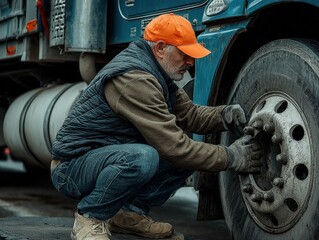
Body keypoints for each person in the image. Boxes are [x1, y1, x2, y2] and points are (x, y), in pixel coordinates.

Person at [50, 13, 262, 240]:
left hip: (105, 157)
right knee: (145, 158)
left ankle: (127, 214)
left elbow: (190, 115)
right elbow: (176, 147)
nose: (190, 62)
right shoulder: (135, 79)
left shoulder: (157, 74)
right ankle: (89, 217)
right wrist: (233, 156)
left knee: (181, 159)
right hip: (71, 169)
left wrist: (224, 115)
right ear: (161, 49)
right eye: (184, 54)